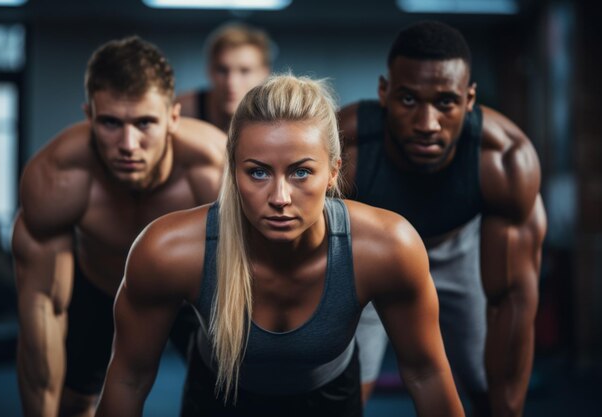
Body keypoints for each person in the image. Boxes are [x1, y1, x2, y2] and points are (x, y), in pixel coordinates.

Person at [95, 74, 465, 417]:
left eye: (301, 171)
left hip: (330, 397)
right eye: (257, 172)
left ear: (334, 171)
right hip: (218, 396)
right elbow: (130, 377)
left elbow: (426, 373)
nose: (280, 197)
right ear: (233, 170)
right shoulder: (169, 250)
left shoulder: (387, 247)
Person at [339, 21, 547, 416]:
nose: (427, 124)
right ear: (384, 93)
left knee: (488, 387)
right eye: (408, 100)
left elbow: (512, 303)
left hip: (460, 251)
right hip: (370, 255)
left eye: (446, 103)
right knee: (345, 398)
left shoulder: (504, 161)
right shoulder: (345, 148)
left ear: (469, 99)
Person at [12, 36, 226, 417]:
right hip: (101, 289)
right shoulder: (58, 179)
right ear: (89, 116)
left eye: (145, 122)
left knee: (226, 402)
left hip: (189, 296)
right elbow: (44, 313)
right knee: (72, 403)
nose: (128, 143)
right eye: (110, 122)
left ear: (173, 118)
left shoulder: (214, 172)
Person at [175, 22, 272, 132]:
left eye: (245, 71)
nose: (231, 82)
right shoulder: (181, 110)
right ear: (210, 71)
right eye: (222, 70)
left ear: (265, 73)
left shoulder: (275, 116)